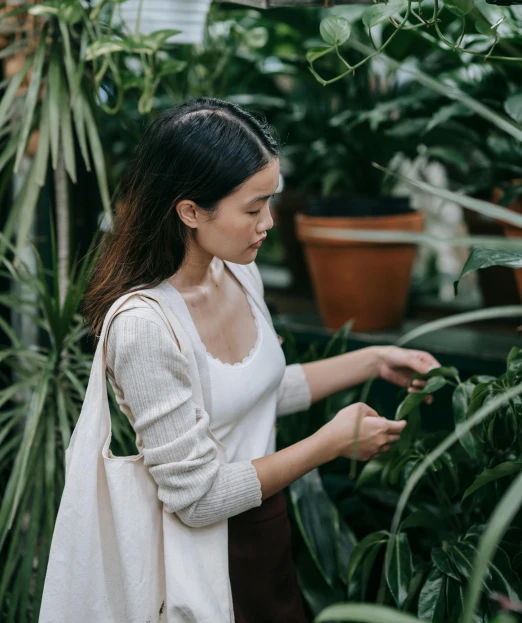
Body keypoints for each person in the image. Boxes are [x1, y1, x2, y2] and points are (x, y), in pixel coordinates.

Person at [83, 97, 440, 623]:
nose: (268, 222)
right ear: (189, 211)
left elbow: (256, 391)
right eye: (253, 209)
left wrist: (375, 359)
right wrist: (329, 444)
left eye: (269, 202)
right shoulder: (144, 326)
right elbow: (198, 498)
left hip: (265, 532)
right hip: (202, 560)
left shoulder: (238, 273)